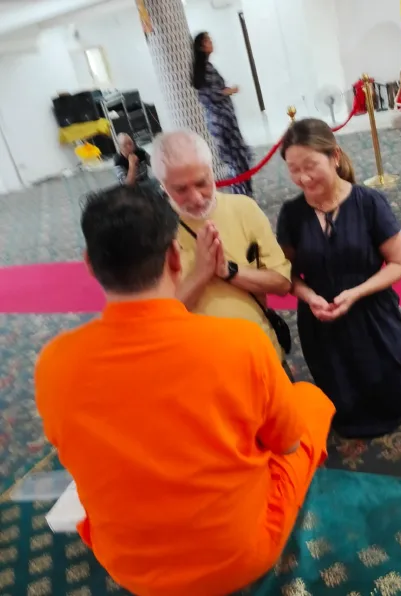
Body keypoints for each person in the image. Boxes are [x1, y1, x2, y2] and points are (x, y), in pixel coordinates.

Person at [34, 183, 336, 596]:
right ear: (176, 257)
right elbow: (284, 445)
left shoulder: (54, 361)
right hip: (240, 556)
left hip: (128, 566)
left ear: (89, 264)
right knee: (310, 401)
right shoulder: (240, 343)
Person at [276, 119, 401, 439]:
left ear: (335, 156)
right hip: (320, 318)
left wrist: (355, 293)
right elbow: (286, 274)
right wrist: (309, 296)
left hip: (372, 311)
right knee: (340, 394)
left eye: (310, 165)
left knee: (388, 390)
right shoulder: (292, 214)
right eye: (293, 169)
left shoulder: (368, 203)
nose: (303, 177)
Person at [152, 130, 294, 367]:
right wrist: (200, 273)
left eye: (202, 183)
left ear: (212, 171)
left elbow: (282, 283)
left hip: (261, 355)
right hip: (203, 369)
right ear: (163, 186)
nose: (197, 198)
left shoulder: (244, 209)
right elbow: (158, 321)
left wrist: (229, 271)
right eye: (181, 189)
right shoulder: (154, 231)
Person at [191, 31, 253, 196]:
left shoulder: (205, 68)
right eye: (208, 41)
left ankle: (244, 194)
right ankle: (243, 195)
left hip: (220, 120)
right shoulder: (205, 69)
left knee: (236, 160)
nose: (212, 43)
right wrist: (230, 90)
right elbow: (212, 95)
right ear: (201, 46)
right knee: (237, 160)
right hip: (222, 120)